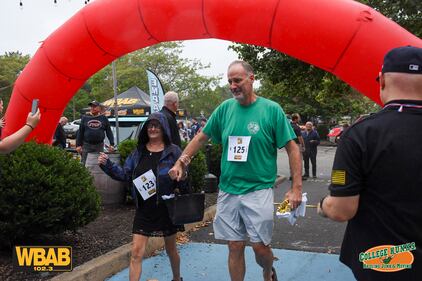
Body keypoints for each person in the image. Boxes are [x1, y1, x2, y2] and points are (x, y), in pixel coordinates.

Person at [169, 60, 303, 281]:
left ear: (251, 78)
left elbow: (292, 148)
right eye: (230, 81)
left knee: (260, 248)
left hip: (258, 189)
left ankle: (267, 270)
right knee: (234, 245)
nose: (232, 85)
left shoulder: (271, 110)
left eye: (237, 80)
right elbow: (202, 137)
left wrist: (296, 188)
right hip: (229, 190)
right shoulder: (225, 109)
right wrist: (181, 162)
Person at [317, 46, 422, 280]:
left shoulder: (360, 135)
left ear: (382, 80)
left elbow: (341, 209)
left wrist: (323, 205)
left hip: (384, 263)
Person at [98, 112, 187, 281]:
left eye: (156, 126)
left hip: (165, 209)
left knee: (171, 250)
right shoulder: (138, 152)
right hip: (144, 210)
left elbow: (183, 184)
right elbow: (125, 174)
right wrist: (107, 165)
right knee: (136, 253)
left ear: (163, 129)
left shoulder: (173, 152)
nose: (152, 129)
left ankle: (177, 278)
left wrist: (181, 177)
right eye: (150, 126)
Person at [76, 100, 114, 165]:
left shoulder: (104, 118)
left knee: (100, 163)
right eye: (91, 106)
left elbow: (109, 132)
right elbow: (80, 132)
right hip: (86, 145)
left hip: (99, 145)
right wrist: (78, 145)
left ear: (99, 108)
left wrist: (112, 144)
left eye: (94, 106)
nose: (92, 108)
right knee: (84, 163)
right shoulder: (85, 117)